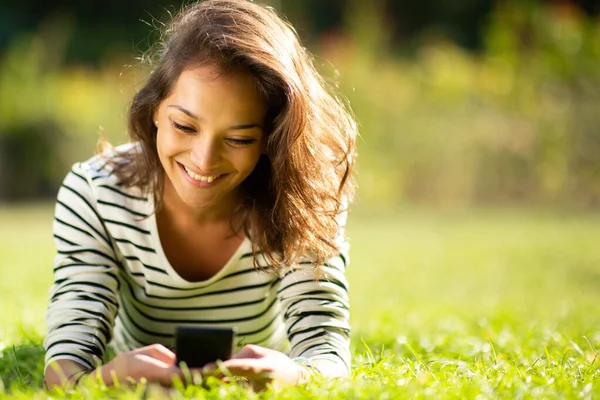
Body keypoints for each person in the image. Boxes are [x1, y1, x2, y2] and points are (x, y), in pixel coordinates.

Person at [43, 0, 357, 390]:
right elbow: (64, 368)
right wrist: (104, 380)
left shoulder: (306, 194)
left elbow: (326, 350)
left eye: (240, 138)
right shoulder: (94, 192)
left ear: (270, 138)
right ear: (155, 109)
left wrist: (295, 374)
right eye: (184, 126)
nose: (204, 160)